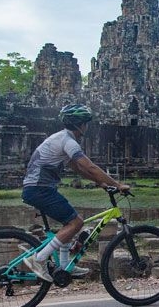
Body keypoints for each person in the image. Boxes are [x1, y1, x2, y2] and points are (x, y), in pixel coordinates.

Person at [20, 104, 129, 281]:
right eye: (85, 123)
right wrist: (117, 184)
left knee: (70, 223)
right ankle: (38, 259)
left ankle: (64, 266)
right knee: (76, 223)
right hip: (39, 189)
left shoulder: (62, 138)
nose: (86, 126)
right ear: (80, 124)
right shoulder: (67, 141)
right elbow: (89, 166)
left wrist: (100, 182)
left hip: (39, 189)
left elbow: (78, 168)